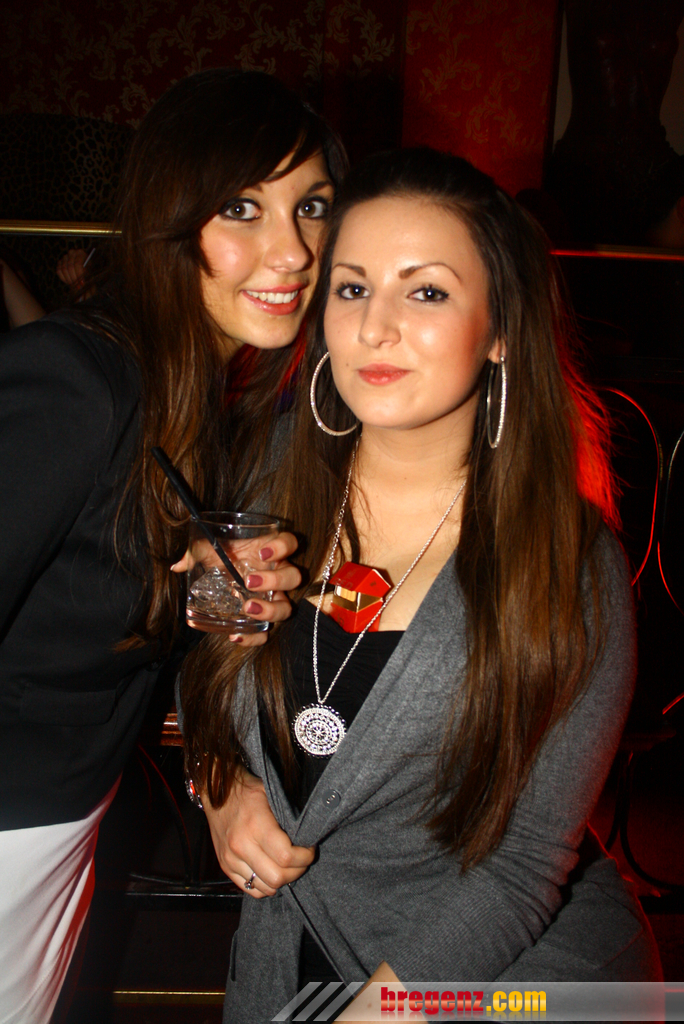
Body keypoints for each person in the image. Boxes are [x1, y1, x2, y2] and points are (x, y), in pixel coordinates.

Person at [180, 148, 662, 1024]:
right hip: (284, 964)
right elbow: (203, 673)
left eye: (427, 291)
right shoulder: (264, 483)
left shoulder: (567, 563)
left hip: (500, 987)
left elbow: (524, 869)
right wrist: (220, 785)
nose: (376, 327)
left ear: (501, 326)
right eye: (353, 288)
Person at [0, 68, 346, 1024]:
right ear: (168, 220)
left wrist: (208, 602)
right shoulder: (77, 380)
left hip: (64, 831)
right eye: (242, 207)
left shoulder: (201, 408)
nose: (294, 250)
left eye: (313, 206)